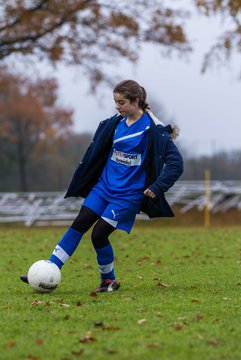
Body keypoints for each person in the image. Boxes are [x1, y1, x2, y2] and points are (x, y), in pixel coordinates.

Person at [20, 79, 184, 293]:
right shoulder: (114, 124)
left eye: (121, 102)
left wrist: (157, 186)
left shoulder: (153, 131)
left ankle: (108, 281)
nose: (117, 106)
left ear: (136, 102)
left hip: (127, 196)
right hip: (104, 187)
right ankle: (49, 268)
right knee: (80, 223)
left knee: (98, 234)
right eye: (115, 101)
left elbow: (176, 164)